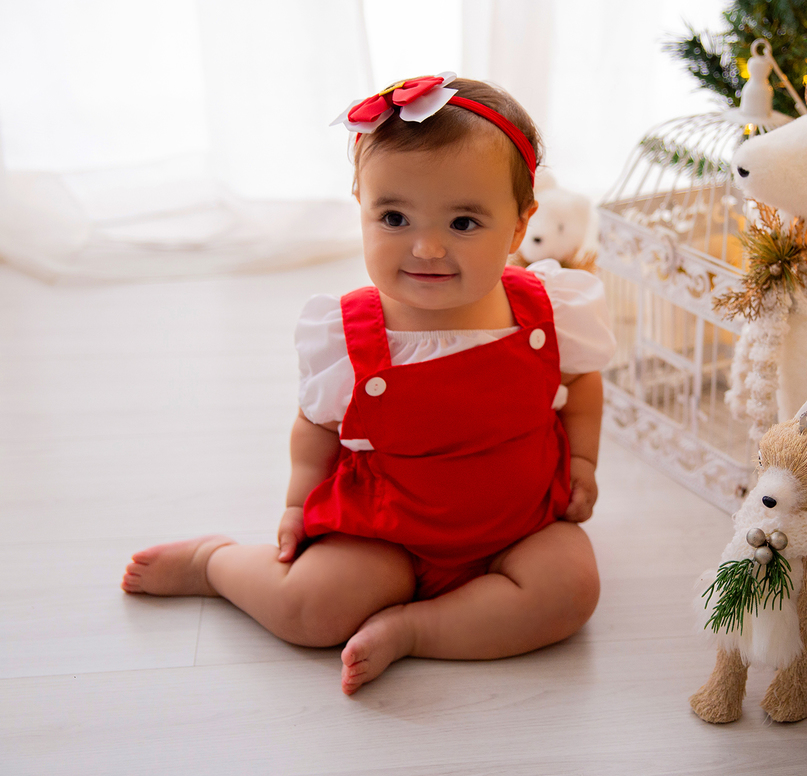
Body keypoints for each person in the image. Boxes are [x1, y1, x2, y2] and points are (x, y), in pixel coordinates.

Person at [121, 74, 615, 695]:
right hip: (388, 530)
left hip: (522, 525)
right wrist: (298, 505)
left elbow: (583, 384)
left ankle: (416, 630)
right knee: (310, 608)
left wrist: (586, 462)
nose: (428, 246)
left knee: (571, 591)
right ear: (360, 206)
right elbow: (315, 428)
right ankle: (215, 564)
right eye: (395, 217)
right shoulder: (348, 335)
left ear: (519, 226)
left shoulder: (548, 311)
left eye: (464, 222)